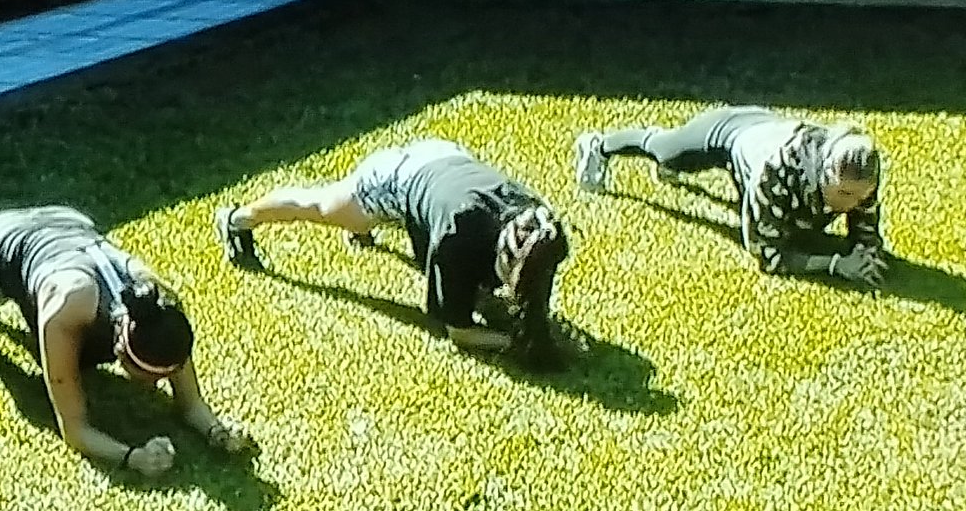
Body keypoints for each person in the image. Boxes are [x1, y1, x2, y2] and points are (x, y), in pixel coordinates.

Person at [0, 205, 255, 477]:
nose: (161, 383)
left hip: (70, 224)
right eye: (150, 377)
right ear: (120, 348)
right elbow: (74, 427)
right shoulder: (64, 310)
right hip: (0, 243)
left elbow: (191, 404)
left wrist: (216, 431)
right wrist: (132, 457)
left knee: (74, 354)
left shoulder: (161, 310)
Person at [214, 138, 572, 359]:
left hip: (448, 159)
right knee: (317, 206)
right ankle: (238, 219)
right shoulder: (455, 239)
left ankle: (366, 231)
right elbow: (458, 332)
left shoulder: (539, 224)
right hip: (394, 178)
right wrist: (515, 342)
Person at [573, 105, 887, 286]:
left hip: (763, 136)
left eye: (860, 197)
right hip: (729, 131)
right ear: (825, 174)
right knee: (665, 151)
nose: (850, 205)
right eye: (844, 194)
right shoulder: (776, 170)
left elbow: (866, 227)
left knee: (787, 220)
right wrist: (834, 264)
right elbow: (768, 255)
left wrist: (866, 253)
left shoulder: (861, 171)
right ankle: (599, 144)